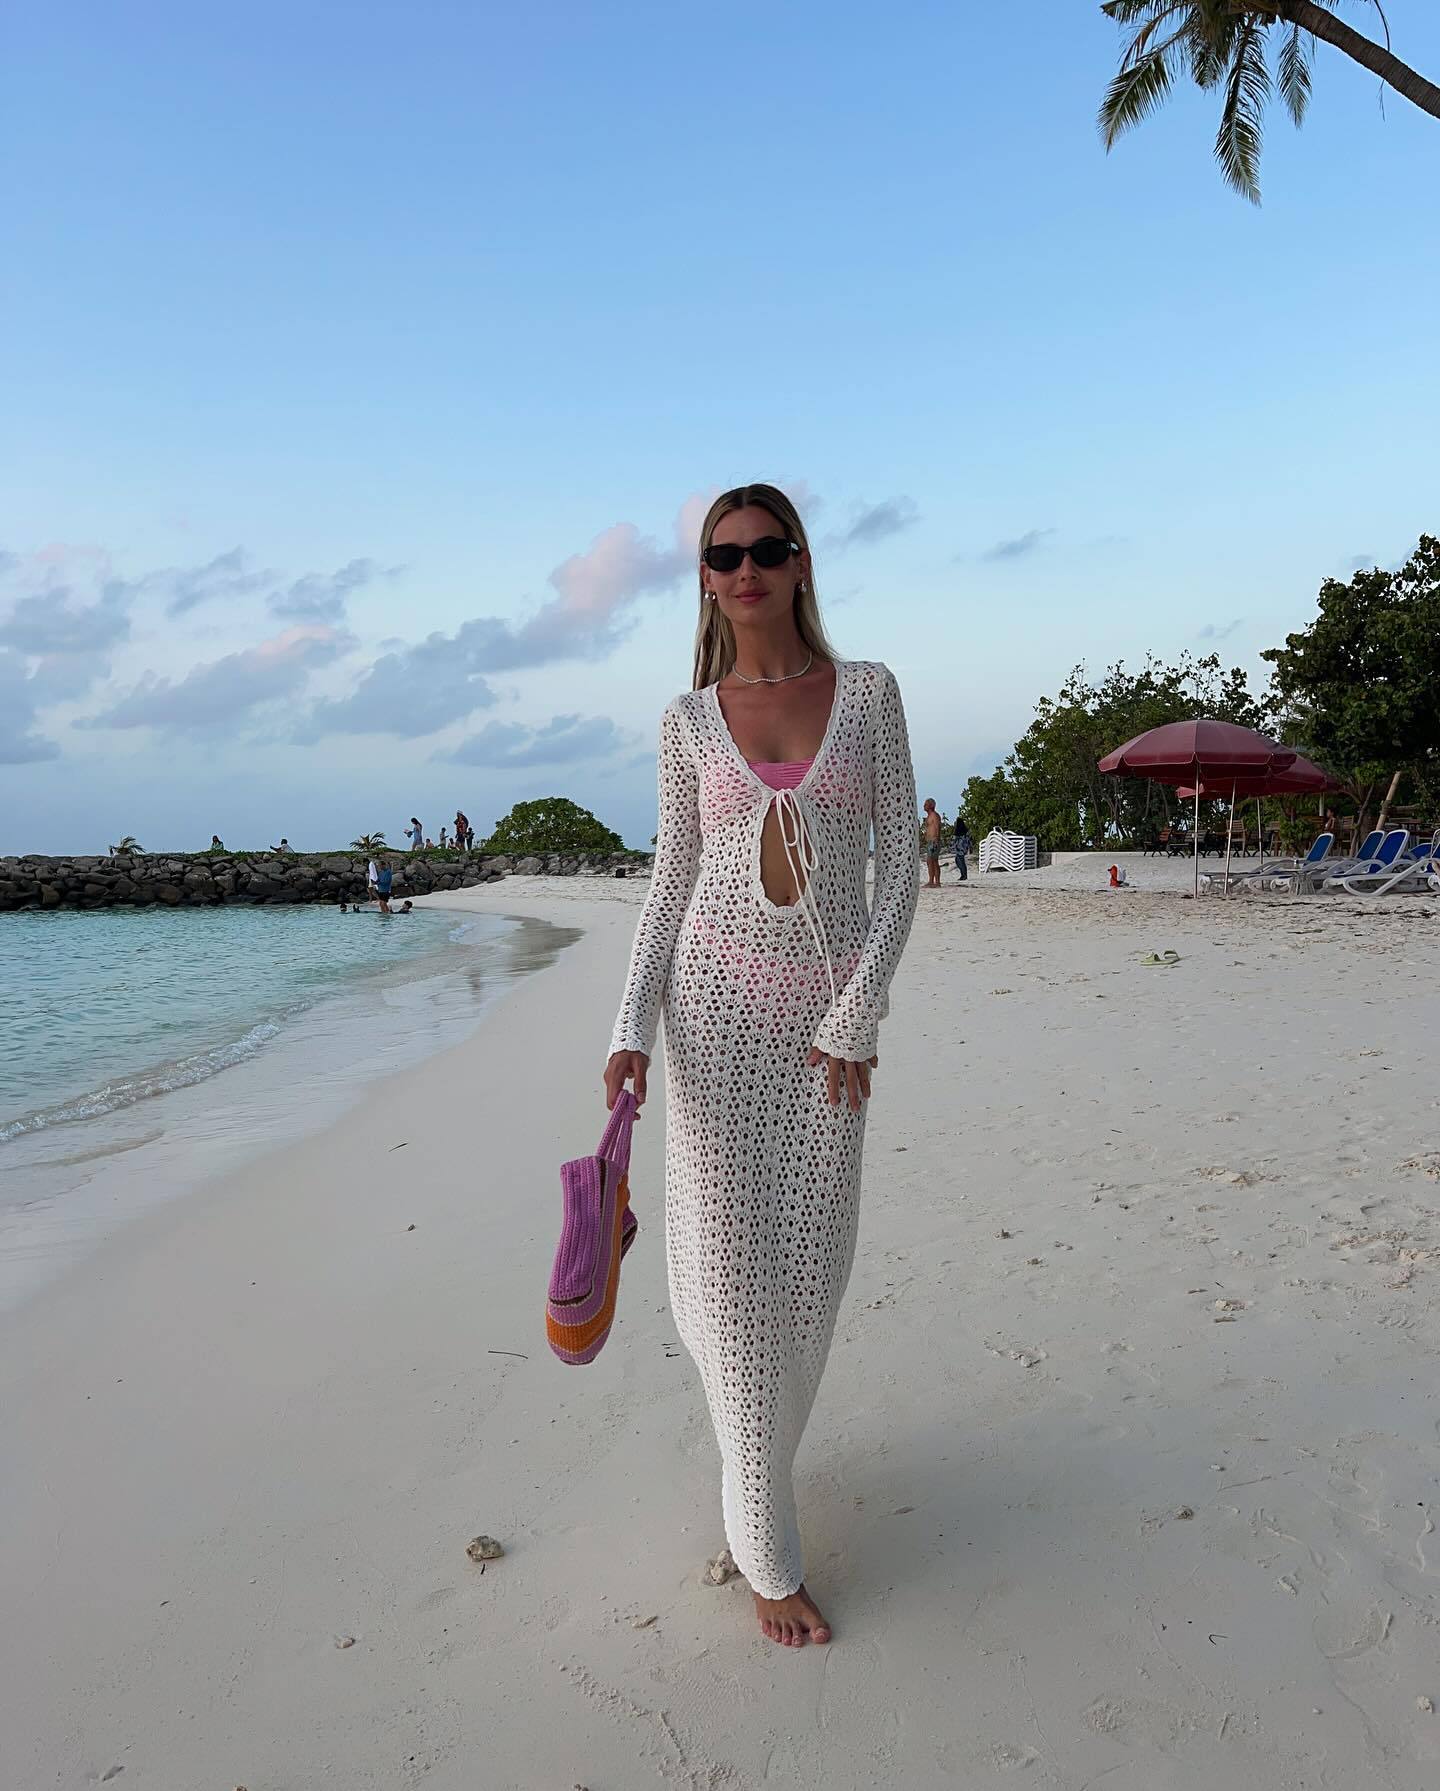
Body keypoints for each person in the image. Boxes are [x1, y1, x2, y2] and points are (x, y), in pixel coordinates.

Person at [605, 483, 918, 1649]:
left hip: (828, 1041)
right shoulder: (688, 721)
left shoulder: (868, 693)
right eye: (725, 554)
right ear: (705, 578)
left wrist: (857, 1010)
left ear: (800, 564)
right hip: (714, 1022)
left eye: (768, 550)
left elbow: (900, 868)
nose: (747, 570)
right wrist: (629, 1030)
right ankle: (767, 1555)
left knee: (808, 1278)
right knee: (732, 1287)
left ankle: (761, 1467)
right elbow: (670, 883)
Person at [921, 797, 943, 888]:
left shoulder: (934, 815)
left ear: (930, 805)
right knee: (930, 861)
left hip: (934, 841)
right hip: (930, 841)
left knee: (933, 861)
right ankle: (931, 881)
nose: (924, 806)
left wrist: (936, 839)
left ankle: (936, 882)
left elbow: (937, 827)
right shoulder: (929, 816)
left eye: (926, 804)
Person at [953, 811, 971, 881]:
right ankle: (963, 875)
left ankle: (964, 875)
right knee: (958, 861)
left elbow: (956, 840)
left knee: (960, 861)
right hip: (962, 848)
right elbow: (968, 840)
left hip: (960, 848)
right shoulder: (965, 831)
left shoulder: (959, 831)